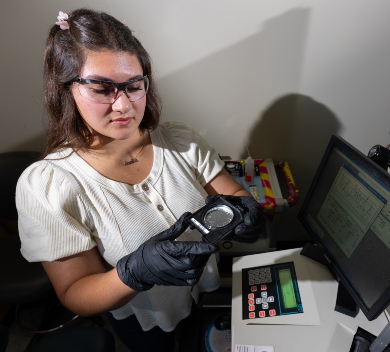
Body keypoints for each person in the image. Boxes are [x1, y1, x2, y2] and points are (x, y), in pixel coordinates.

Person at [15, 8, 266, 352]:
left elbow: (231, 192)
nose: (124, 106)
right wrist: (134, 272)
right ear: (65, 90)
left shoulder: (180, 142)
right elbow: (76, 293)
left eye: (133, 86)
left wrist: (245, 207)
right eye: (102, 89)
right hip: (144, 316)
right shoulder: (49, 185)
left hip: (201, 291)